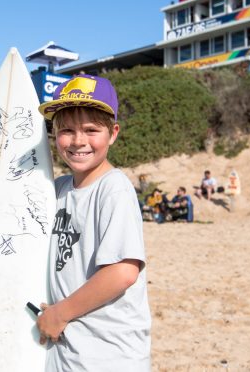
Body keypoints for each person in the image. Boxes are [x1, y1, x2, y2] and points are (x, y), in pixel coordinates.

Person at [36, 74, 151, 370]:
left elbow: (123, 272)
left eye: (91, 130)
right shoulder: (58, 188)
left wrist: (61, 313)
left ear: (113, 133)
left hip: (106, 354)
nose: (78, 141)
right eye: (67, 130)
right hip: (66, 350)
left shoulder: (113, 188)